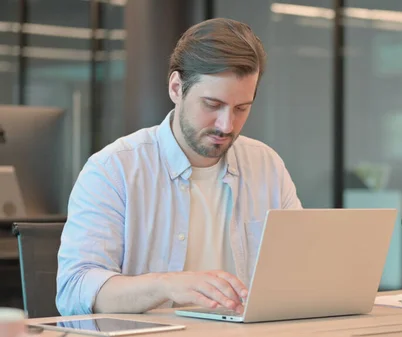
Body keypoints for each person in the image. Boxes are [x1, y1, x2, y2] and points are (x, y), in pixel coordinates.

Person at [56, 18, 302, 316]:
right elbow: (75, 289)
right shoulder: (113, 169)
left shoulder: (266, 166)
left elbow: (298, 272)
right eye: (212, 104)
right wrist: (166, 286)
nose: (227, 125)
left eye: (241, 108)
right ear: (176, 88)